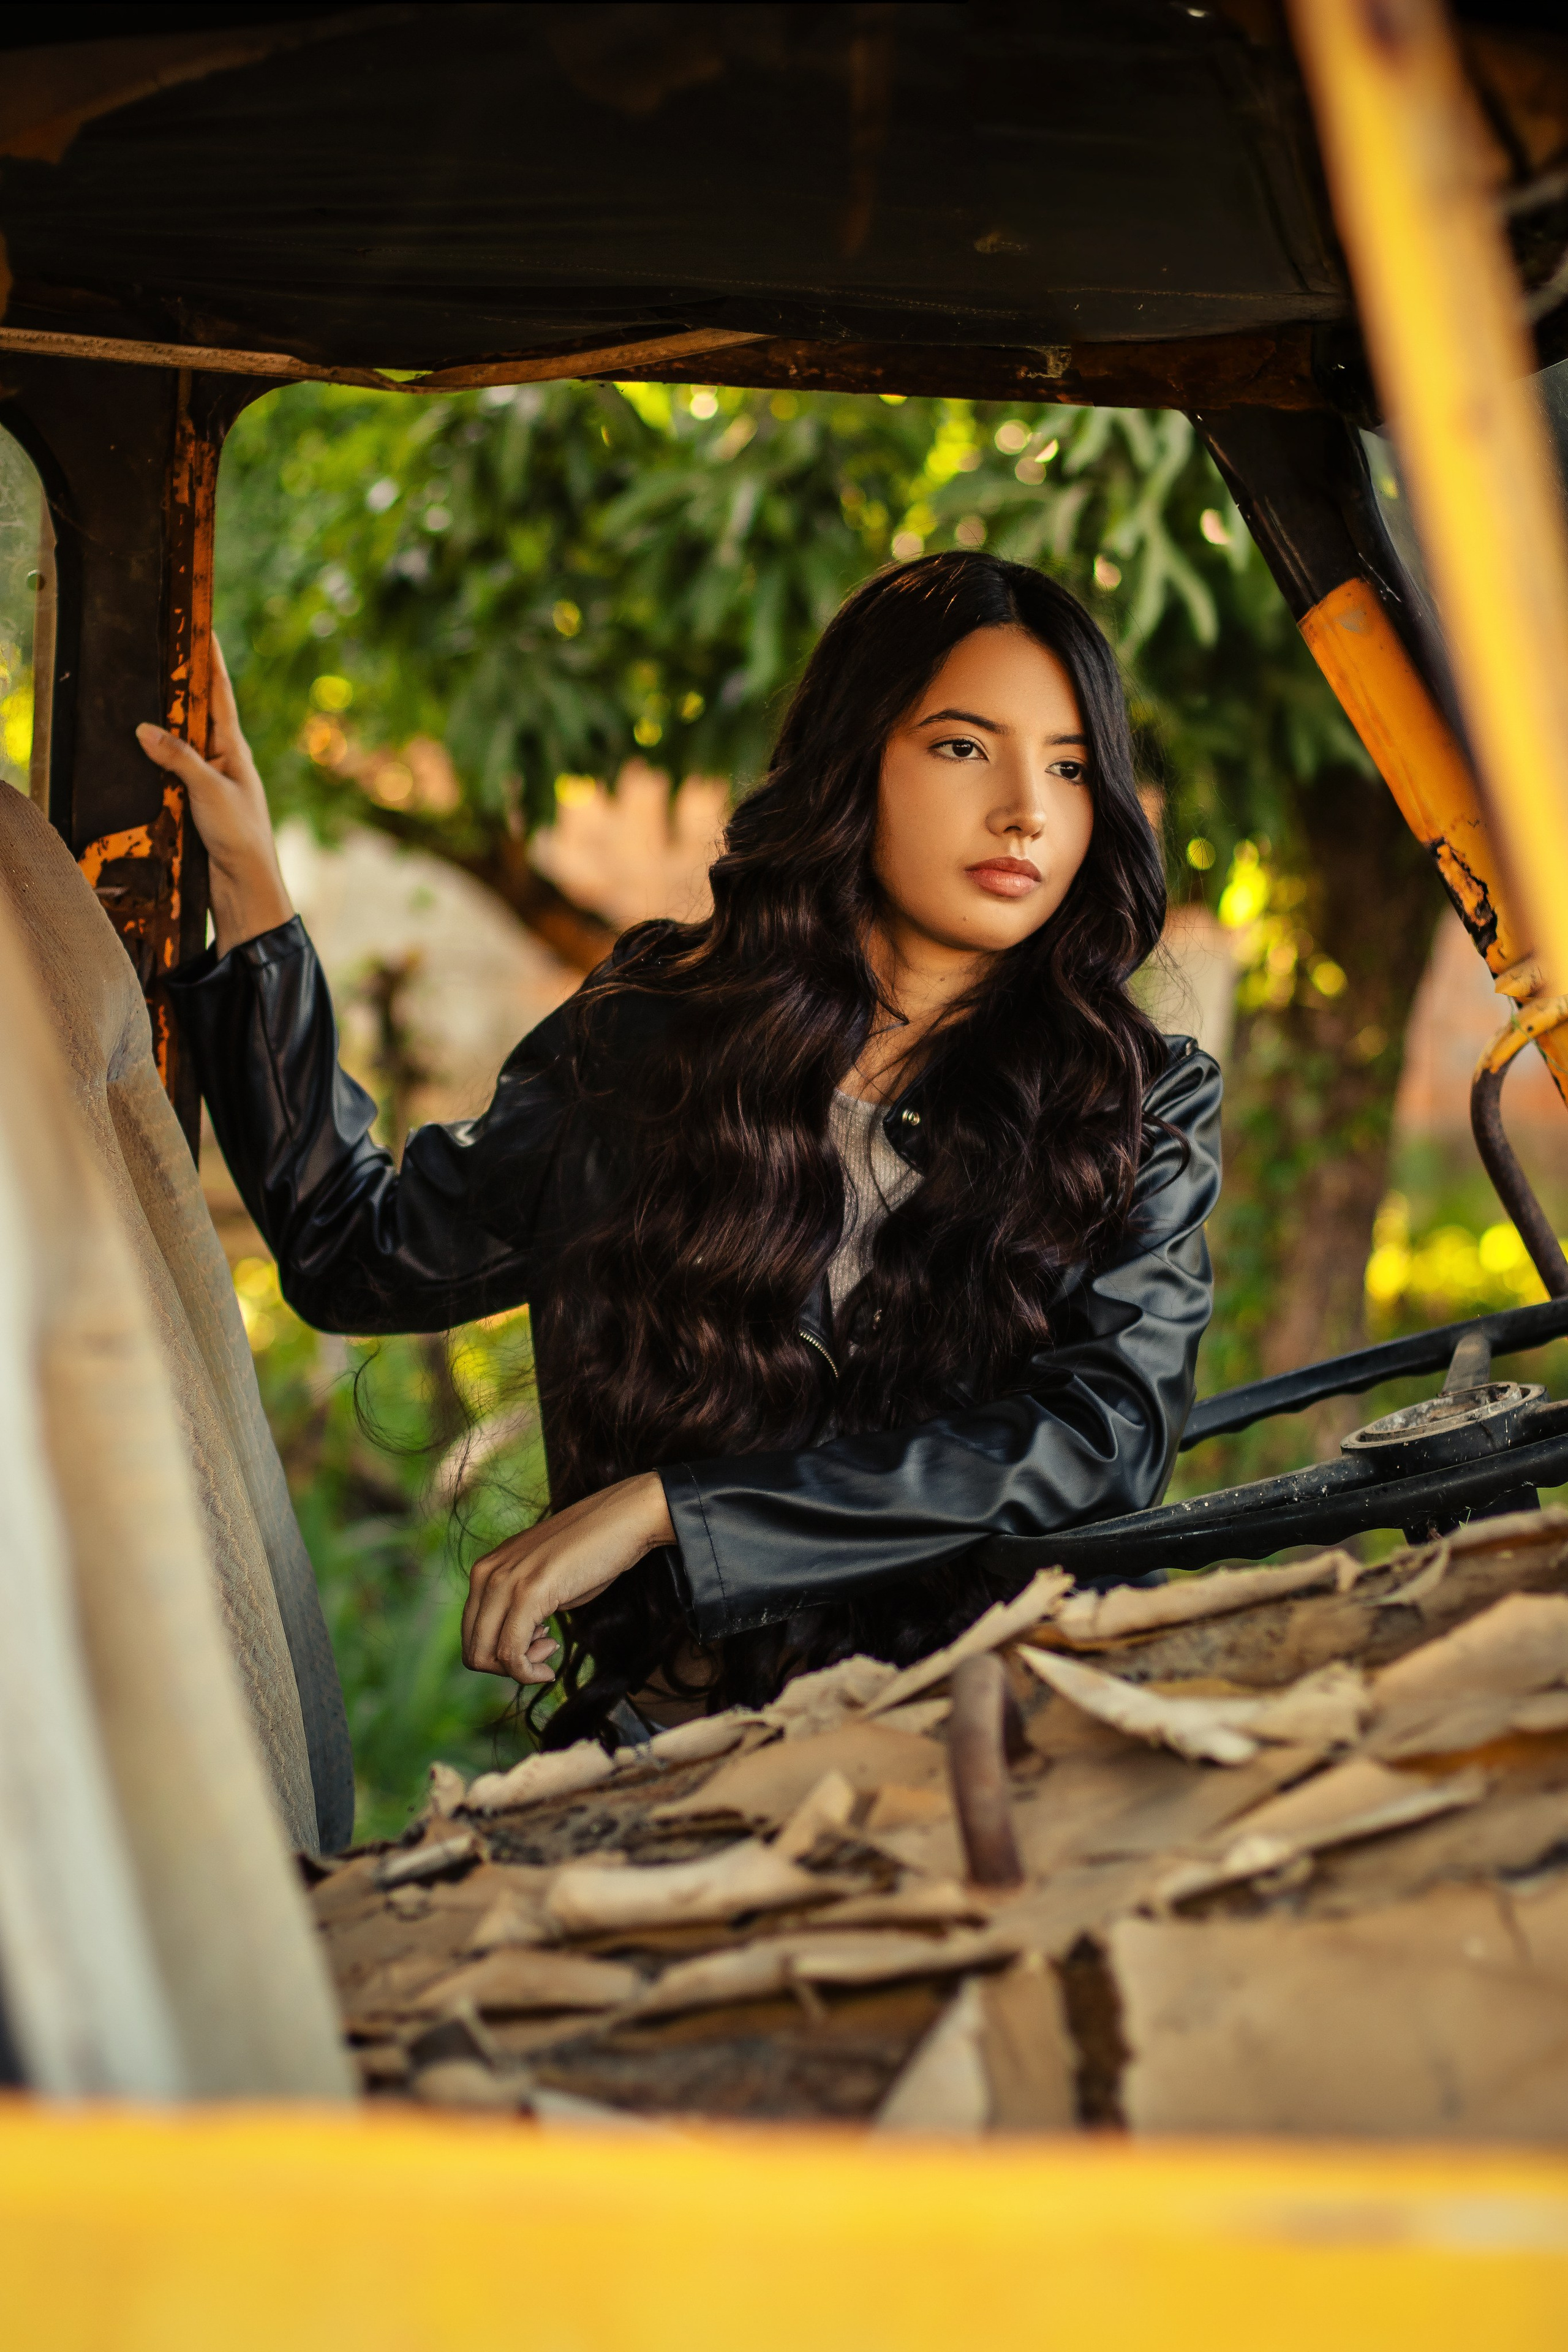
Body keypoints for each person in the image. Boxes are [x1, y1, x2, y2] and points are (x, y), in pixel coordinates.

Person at [139, 551, 1220, 1744]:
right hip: (678, 1749)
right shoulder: (655, 1038)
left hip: (993, 1739)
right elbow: (360, 1253)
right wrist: (248, 885)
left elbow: (1099, 1438)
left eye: (1069, 767)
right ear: (852, 759)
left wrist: (670, 1511)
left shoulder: (1137, 1104)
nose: (1025, 807)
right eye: (962, 746)